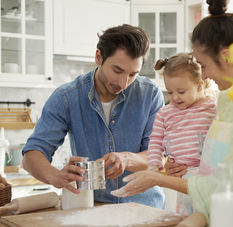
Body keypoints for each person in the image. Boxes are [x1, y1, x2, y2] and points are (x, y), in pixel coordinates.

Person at [112, 0, 233, 227]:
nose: (205, 75)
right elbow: (213, 178)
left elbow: (230, 192)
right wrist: (191, 223)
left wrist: (159, 179)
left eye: (204, 65)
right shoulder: (230, 105)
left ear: (227, 57)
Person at [22, 24, 165, 208]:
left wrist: (125, 158)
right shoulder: (66, 98)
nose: (123, 83)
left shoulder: (150, 94)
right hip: (92, 207)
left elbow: (157, 157)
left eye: (132, 74)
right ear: (98, 57)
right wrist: (55, 176)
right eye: (117, 70)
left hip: (145, 207)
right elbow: (32, 155)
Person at [121, 53, 216, 216]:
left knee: (209, 216)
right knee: (184, 216)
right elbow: (156, 141)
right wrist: (154, 167)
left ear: (199, 85)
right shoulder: (165, 113)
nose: (175, 97)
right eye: (170, 92)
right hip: (180, 177)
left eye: (181, 91)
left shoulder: (213, 107)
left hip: (206, 176)